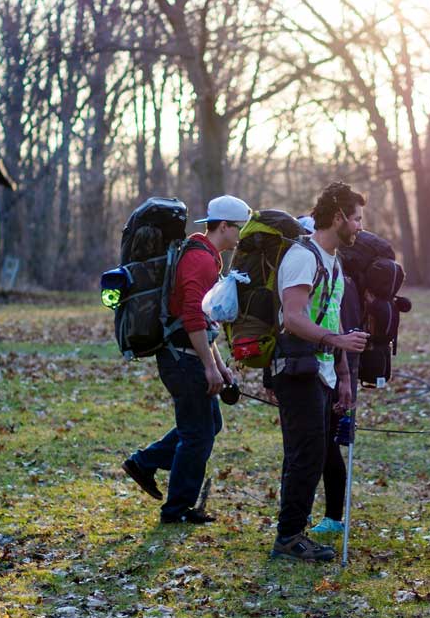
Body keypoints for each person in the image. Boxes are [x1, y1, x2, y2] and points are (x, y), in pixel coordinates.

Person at [121, 195, 250, 524]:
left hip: (189, 354)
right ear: (223, 226)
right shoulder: (200, 260)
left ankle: (145, 463)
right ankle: (176, 509)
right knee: (198, 435)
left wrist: (221, 368)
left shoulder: (206, 256)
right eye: (239, 229)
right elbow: (192, 317)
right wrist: (209, 367)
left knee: (208, 426)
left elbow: (207, 324)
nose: (241, 236)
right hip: (182, 359)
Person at [269, 182, 369, 561]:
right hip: (296, 368)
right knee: (305, 454)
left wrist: (343, 376)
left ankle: (292, 533)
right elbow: (293, 318)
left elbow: (330, 316)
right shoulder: (302, 256)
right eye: (357, 218)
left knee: (314, 452)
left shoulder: (334, 262)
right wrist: (338, 343)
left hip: (322, 370)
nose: (360, 227)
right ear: (339, 217)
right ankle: (289, 537)